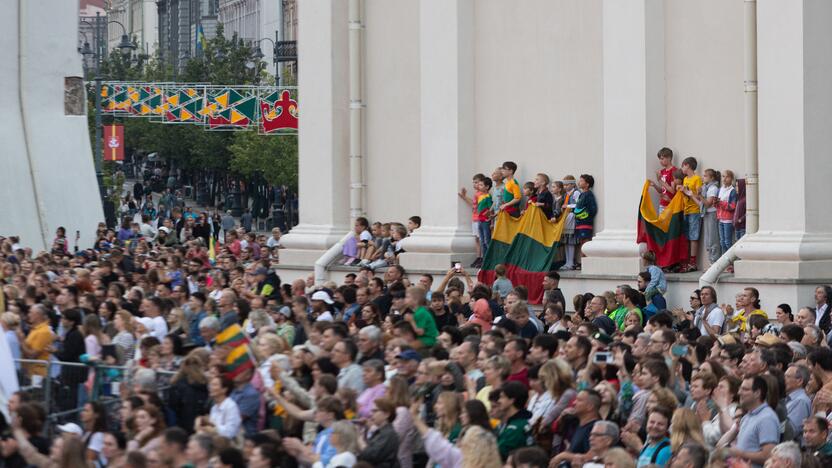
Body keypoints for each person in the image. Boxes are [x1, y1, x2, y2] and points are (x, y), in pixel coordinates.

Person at [728, 376, 779, 468]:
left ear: (757, 393)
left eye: (745, 389)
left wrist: (740, 454)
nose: (739, 392)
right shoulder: (747, 416)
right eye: (740, 389)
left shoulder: (767, 419)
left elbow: (768, 456)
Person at [356, 398, 400, 468]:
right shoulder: (381, 432)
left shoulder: (389, 434)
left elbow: (371, 456)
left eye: (375, 411)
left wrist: (359, 440)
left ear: (387, 414)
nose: (371, 414)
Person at [678, 157, 703, 272]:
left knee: (693, 236)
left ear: (687, 165)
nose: (682, 168)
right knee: (686, 237)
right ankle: (685, 261)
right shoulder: (685, 179)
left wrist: (688, 192)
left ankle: (693, 262)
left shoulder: (697, 179)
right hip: (686, 210)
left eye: (683, 166)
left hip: (694, 211)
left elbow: (699, 196)